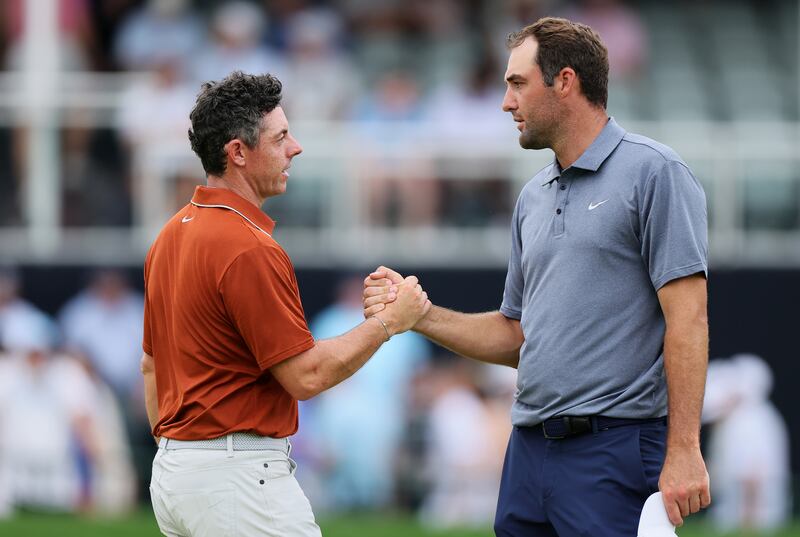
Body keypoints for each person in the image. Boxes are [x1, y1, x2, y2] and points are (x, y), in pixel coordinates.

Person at [364, 17, 710, 537]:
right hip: (527, 450)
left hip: (613, 451)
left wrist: (685, 448)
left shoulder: (655, 173)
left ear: (565, 81)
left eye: (517, 83)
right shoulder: (533, 197)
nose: (506, 102)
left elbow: (688, 321)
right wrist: (422, 316)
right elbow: (516, 336)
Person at [141, 71, 430, 537]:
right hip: (236, 479)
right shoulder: (249, 246)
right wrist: (388, 323)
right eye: (280, 138)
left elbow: (151, 368)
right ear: (238, 152)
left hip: (177, 475)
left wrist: (184, 452)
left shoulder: (169, 234)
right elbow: (305, 375)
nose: (295, 147)